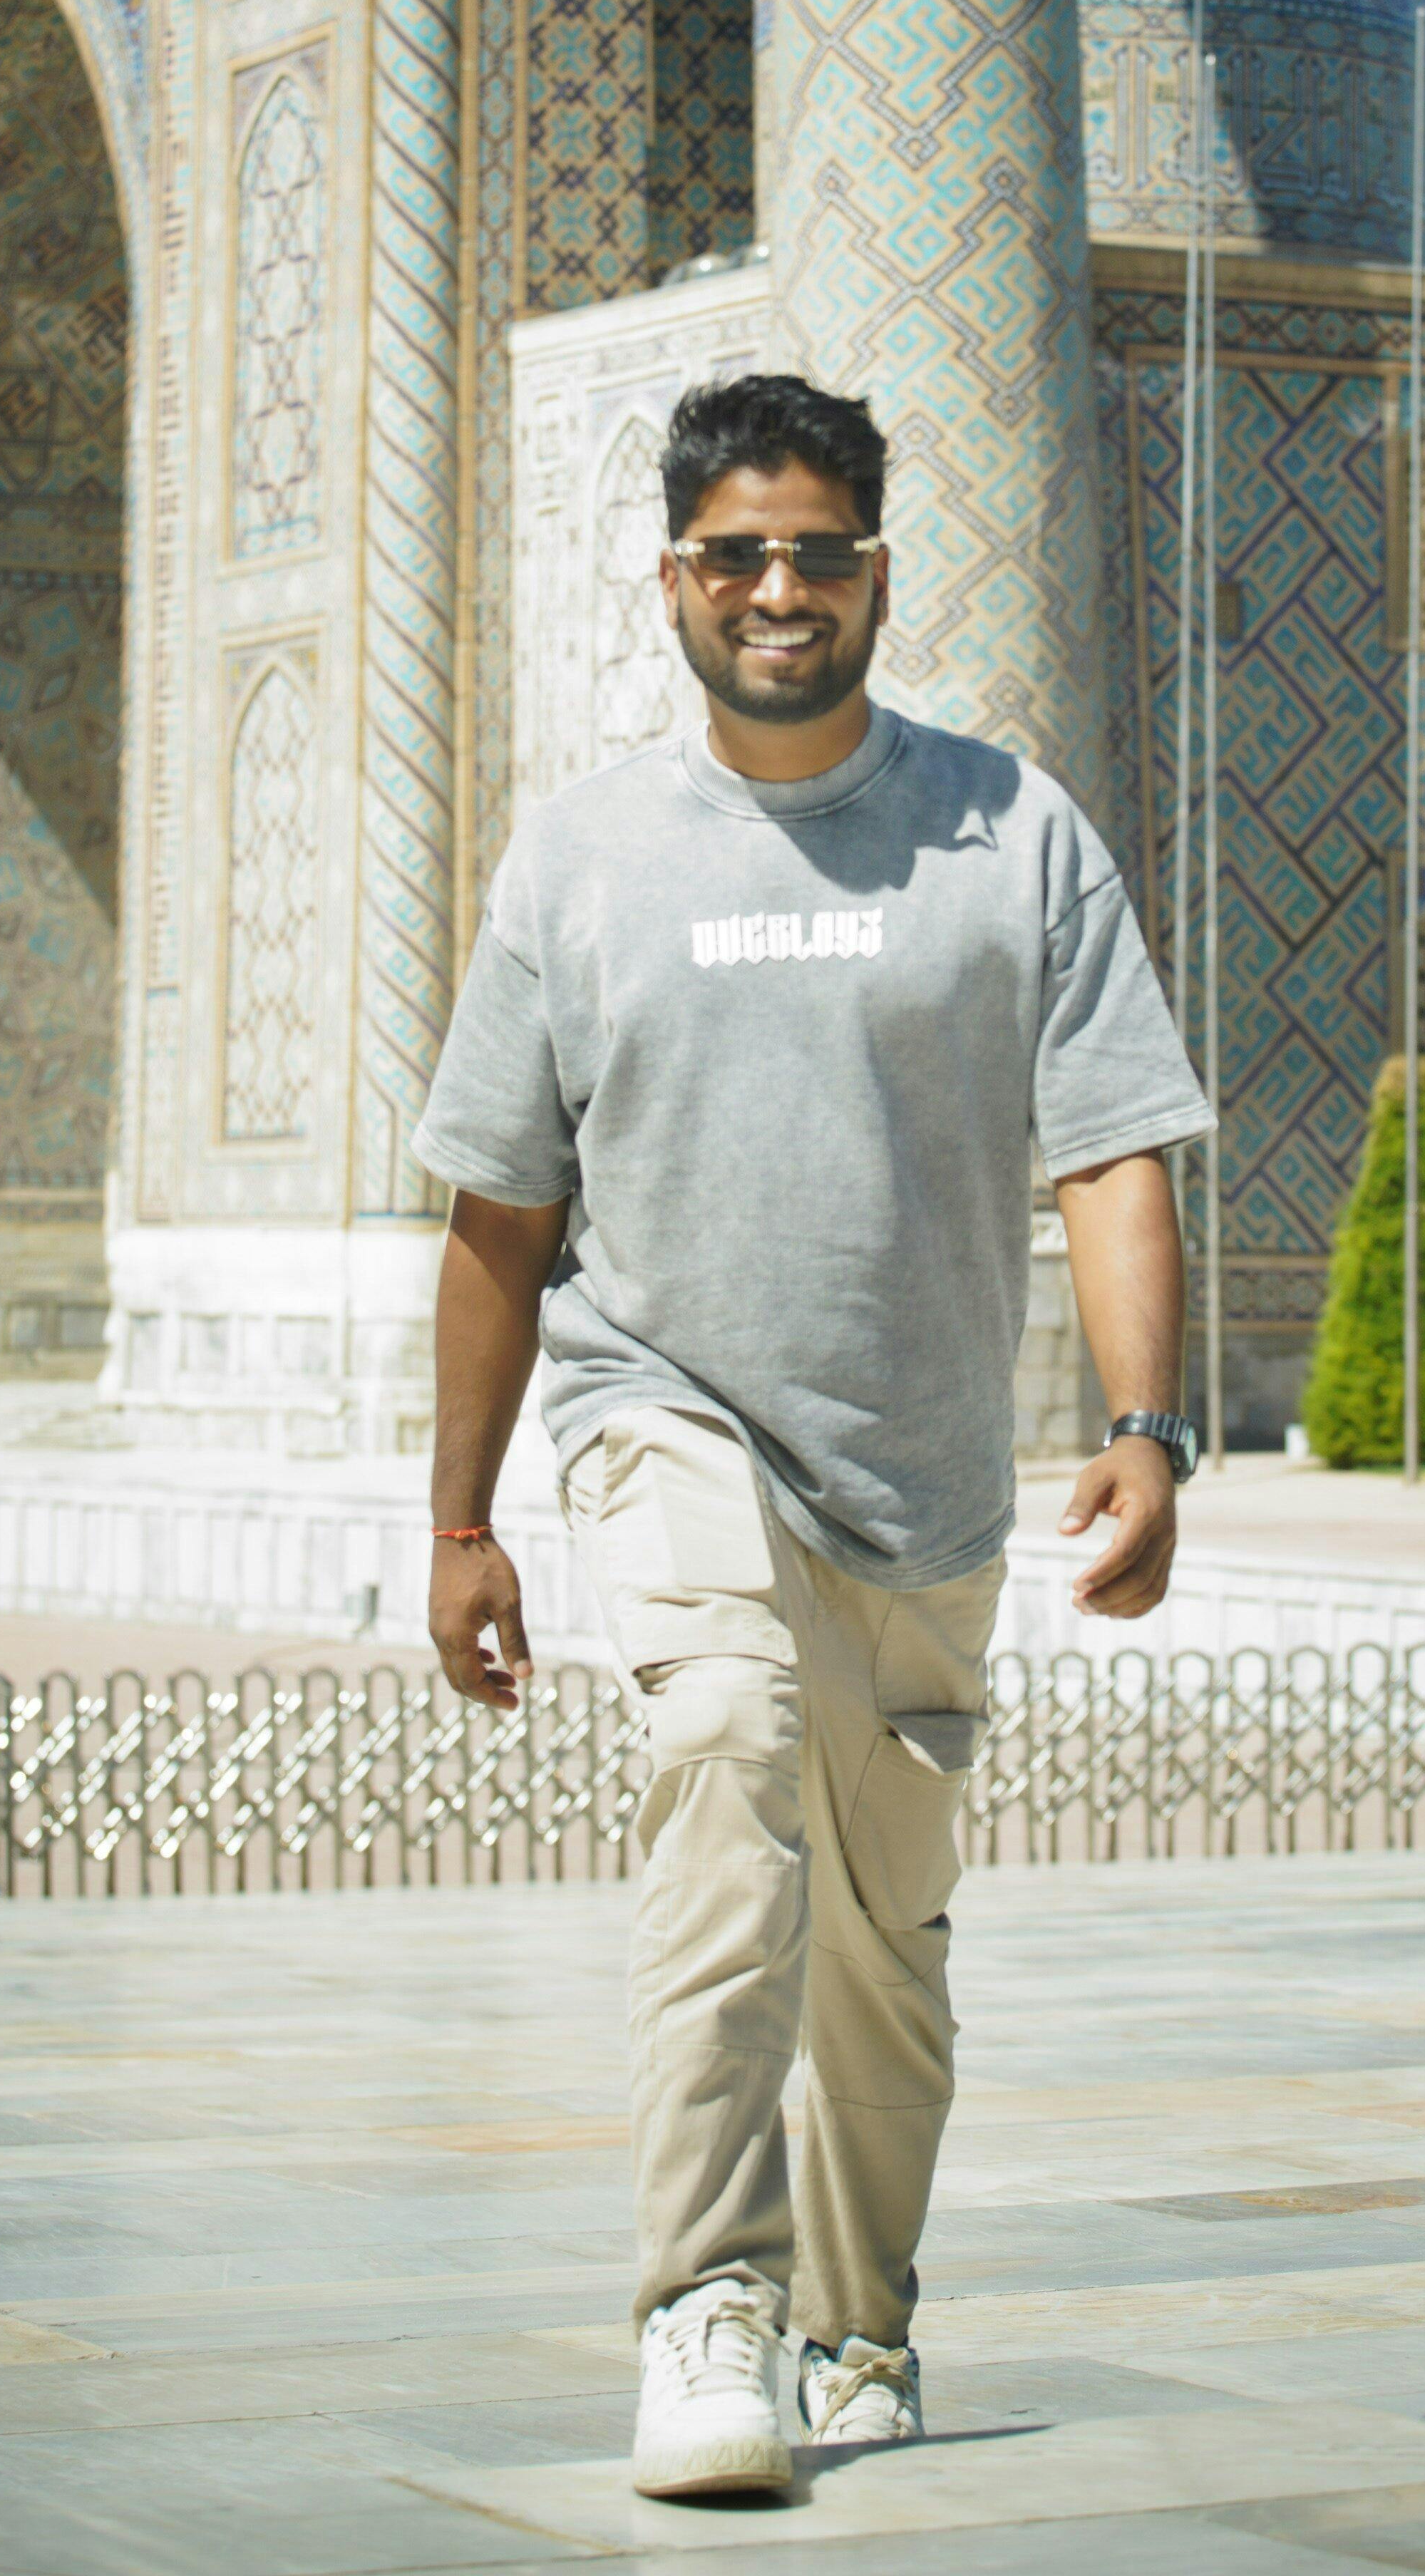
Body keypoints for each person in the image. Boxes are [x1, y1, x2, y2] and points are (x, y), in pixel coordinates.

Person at [413, 371, 1213, 2503]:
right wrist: (459, 1519)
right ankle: (705, 2307)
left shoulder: (1009, 833)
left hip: (918, 1478)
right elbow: (500, 1211)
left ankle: (860, 2329)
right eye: (738, 554)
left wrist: (1147, 1424)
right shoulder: (582, 857)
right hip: (660, 1406)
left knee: (881, 1955)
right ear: (673, 578)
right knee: (723, 1745)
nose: (779, 589)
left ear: (875, 568)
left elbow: (1112, 1148)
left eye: (817, 552)